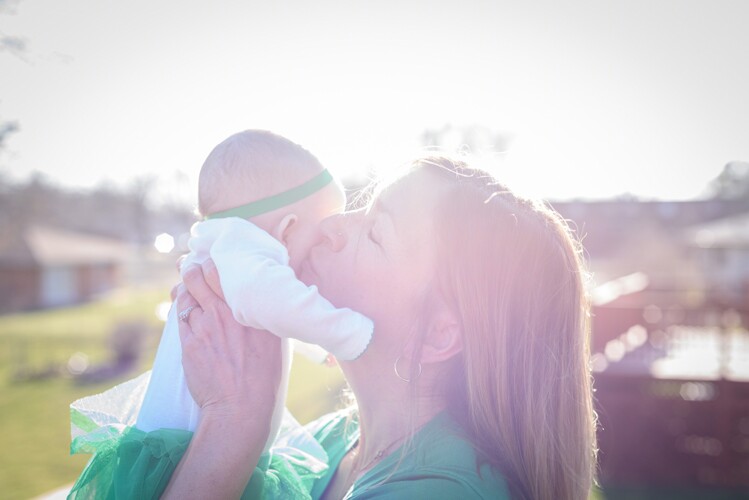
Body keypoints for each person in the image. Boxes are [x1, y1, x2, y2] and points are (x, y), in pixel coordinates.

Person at [166, 155, 598, 500]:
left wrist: (231, 422)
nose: (332, 227)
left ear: (437, 334)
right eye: (359, 210)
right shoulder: (333, 440)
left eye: (374, 233)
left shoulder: (438, 493)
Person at [67, 130, 373, 499]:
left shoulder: (227, 252)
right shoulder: (243, 253)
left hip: (186, 450)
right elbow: (283, 302)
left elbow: (277, 313)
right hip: (186, 453)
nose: (323, 247)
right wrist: (352, 335)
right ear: (287, 229)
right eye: (320, 235)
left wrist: (317, 348)